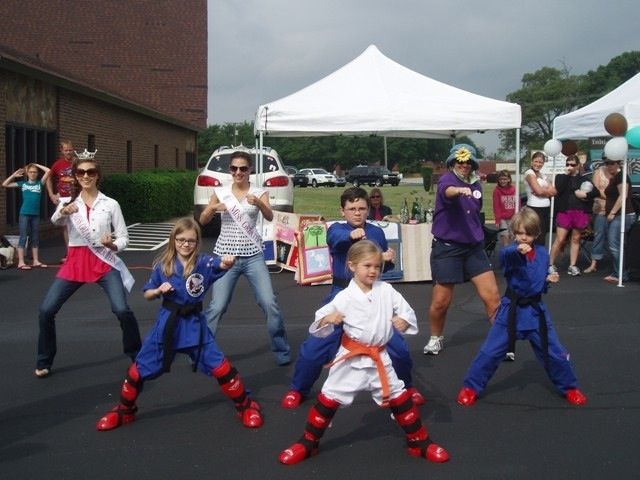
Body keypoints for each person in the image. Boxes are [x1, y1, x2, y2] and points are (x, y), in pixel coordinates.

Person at [279, 241, 449, 465]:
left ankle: (419, 442)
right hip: (351, 359)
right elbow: (319, 320)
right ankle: (309, 442)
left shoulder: (386, 290)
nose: (373, 271)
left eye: (377, 266)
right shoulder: (344, 297)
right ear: (352, 266)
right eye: (367, 266)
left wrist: (403, 322)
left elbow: (407, 312)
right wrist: (328, 319)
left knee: (400, 398)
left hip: (379, 358)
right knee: (328, 400)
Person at [96, 218, 263, 431]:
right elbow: (147, 293)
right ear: (173, 240)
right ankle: (124, 410)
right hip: (167, 325)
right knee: (137, 372)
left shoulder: (203, 263)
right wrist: (158, 291)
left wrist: (227, 261)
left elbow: (219, 264)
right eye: (181, 239)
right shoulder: (162, 266)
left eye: (191, 241)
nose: (186, 244)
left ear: (197, 242)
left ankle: (245, 405)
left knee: (222, 368)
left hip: (194, 325)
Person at [281, 187, 424, 409]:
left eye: (362, 208)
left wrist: (388, 259)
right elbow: (336, 240)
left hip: (373, 294)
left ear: (368, 210)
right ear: (343, 210)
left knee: (397, 346)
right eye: (352, 209)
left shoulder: (376, 233)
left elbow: (379, 267)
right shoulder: (337, 229)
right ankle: (298, 389)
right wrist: (351, 235)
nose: (357, 213)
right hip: (342, 293)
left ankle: (407, 386)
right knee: (317, 345)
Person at [456, 208, 587, 407]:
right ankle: (471, 387)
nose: (523, 237)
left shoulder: (543, 254)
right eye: (519, 233)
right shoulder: (511, 252)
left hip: (535, 312)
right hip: (512, 312)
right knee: (490, 352)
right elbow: (506, 258)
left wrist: (548, 280)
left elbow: (538, 282)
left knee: (554, 351)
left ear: (536, 234)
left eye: (527, 233)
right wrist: (518, 250)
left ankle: (570, 387)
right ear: (514, 233)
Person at [35, 152, 141, 378]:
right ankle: (44, 360)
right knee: (46, 310)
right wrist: (64, 210)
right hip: (76, 261)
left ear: (97, 176)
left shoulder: (110, 204)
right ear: (75, 176)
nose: (86, 176)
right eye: (81, 172)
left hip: (103, 260)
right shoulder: (68, 202)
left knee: (121, 309)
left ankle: (136, 355)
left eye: (90, 172)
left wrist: (113, 245)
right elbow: (55, 220)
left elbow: (124, 237)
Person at [199, 150, 290, 365]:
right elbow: (202, 220)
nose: (238, 172)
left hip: (253, 256)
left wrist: (258, 203)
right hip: (225, 256)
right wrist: (213, 208)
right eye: (234, 168)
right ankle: (203, 351)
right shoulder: (220, 192)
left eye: (243, 168)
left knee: (269, 303)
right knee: (217, 306)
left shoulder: (259, 191)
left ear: (250, 170)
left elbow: (269, 216)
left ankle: (281, 349)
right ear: (230, 170)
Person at [423, 144, 500, 356]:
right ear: (452, 163)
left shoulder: (477, 183)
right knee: (441, 302)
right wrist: (458, 190)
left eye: (468, 162)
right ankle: (435, 337)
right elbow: (446, 191)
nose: (464, 165)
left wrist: (469, 188)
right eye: (460, 161)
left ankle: (500, 341)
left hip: (474, 247)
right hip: (448, 248)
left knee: (492, 295)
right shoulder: (447, 179)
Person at [548, 155, 597, 276]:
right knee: (560, 239)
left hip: (580, 212)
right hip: (565, 212)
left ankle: (572, 265)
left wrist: (585, 195)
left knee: (576, 239)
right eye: (567, 164)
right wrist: (566, 174)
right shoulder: (561, 177)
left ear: (578, 166)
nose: (569, 167)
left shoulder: (583, 179)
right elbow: (558, 189)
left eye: (572, 165)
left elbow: (596, 192)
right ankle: (550, 264)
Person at [2, 163, 51, 269]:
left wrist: (35, 164)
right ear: (27, 173)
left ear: (37, 174)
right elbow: (5, 184)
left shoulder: (39, 183)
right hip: (24, 213)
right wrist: (14, 175)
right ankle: (21, 262)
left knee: (35, 237)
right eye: (31, 172)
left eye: (35, 172)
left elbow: (48, 170)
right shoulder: (23, 184)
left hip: (35, 214)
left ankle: (36, 260)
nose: (33, 174)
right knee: (23, 237)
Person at [603, 158, 636, 283]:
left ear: (618, 164)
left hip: (623, 215)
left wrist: (612, 212)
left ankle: (621, 274)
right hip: (618, 215)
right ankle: (619, 272)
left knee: (614, 245)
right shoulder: (615, 177)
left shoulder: (621, 176)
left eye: (612, 163)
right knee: (618, 245)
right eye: (607, 164)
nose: (609, 166)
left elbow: (623, 195)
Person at [46, 140, 76, 261]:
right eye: (66, 150)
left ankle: (78, 253)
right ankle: (69, 253)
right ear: (62, 151)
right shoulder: (58, 164)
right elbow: (48, 178)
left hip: (76, 197)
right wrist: (51, 194)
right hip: (63, 198)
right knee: (64, 226)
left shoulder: (77, 162)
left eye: (70, 149)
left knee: (77, 225)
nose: (68, 152)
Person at [584, 157, 614, 273]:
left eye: (611, 161)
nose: (608, 163)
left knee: (614, 237)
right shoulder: (598, 171)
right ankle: (594, 263)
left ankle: (616, 265)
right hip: (600, 208)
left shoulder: (619, 171)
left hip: (615, 209)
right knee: (599, 235)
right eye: (606, 161)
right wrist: (609, 198)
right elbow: (595, 190)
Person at [524, 151, 556, 246]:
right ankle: (531, 258)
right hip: (534, 208)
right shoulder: (529, 173)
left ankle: (539, 258)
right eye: (536, 161)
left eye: (540, 162)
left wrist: (544, 193)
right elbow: (539, 191)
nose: (538, 164)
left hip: (545, 209)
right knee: (534, 236)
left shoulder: (542, 175)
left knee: (543, 235)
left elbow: (554, 191)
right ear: (531, 161)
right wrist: (545, 192)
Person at [492, 170, 516, 247]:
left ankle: (513, 254)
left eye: (505, 179)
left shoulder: (514, 189)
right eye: (501, 179)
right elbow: (496, 206)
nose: (503, 181)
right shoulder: (496, 191)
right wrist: (497, 220)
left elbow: (517, 203)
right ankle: (506, 253)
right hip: (502, 219)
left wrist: (518, 215)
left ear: (509, 179)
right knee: (505, 236)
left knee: (514, 236)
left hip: (513, 217)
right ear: (498, 180)